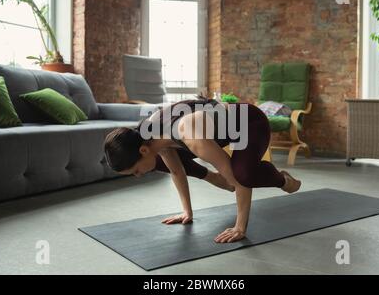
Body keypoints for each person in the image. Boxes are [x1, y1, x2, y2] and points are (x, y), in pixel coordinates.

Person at [104, 97, 301, 243]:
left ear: (143, 150)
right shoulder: (149, 133)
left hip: (250, 123)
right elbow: (177, 171)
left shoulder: (190, 135)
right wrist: (186, 212)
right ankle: (220, 178)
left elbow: (236, 181)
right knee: (163, 163)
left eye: (136, 171)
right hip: (222, 129)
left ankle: (283, 180)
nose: (138, 175)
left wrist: (240, 227)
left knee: (243, 174)